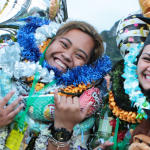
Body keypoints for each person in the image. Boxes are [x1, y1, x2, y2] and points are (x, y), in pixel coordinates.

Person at [0, 19, 111, 150]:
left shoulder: (83, 109)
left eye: (79, 56)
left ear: (87, 67)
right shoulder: (5, 70)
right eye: (64, 44)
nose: (68, 55)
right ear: (49, 41)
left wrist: (63, 128)